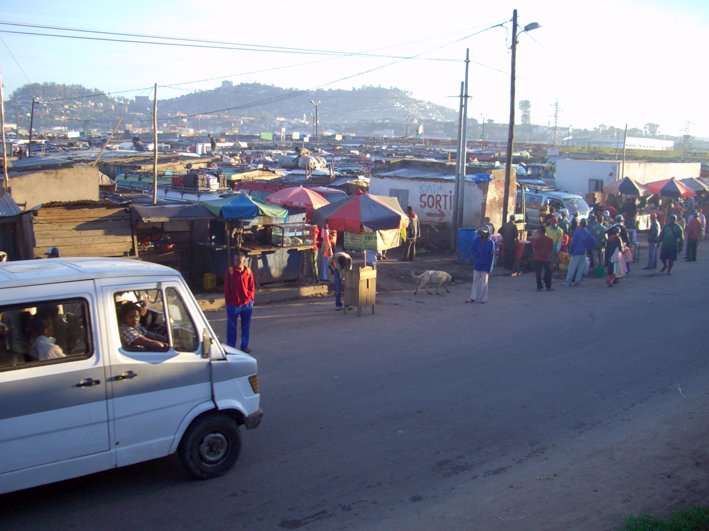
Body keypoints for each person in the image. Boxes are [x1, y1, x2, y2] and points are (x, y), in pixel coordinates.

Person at [224, 252, 255, 353]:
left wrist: (250, 299)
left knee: (245, 327)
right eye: (235, 261)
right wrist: (229, 302)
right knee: (231, 328)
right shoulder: (230, 272)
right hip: (233, 305)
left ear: (244, 262)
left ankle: (244, 346)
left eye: (239, 261)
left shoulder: (249, 272)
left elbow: (252, 287)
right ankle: (231, 348)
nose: (237, 263)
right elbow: (227, 288)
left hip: (246, 305)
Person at [562, 218, 596, 286]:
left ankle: (568, 282)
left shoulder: (577, 232)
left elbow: (573, 243)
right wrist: (587, 247)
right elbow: (594, 242)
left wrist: (570, 251)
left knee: (572, 267)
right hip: (583, 252)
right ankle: (577, 282)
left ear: (580, 224)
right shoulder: (588, 233)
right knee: (580, 268)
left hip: (576, 252)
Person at [466, 227, 495, 304]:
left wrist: (490, 268)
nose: (483, 234)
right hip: (477, 264)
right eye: (482, 232)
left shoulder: (491, 243)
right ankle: (473, 297)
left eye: (485, 233)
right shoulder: (477, 240)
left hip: (485, 265)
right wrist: (475, 256)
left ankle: (484, 298)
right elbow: (472, 250)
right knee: (475, 281)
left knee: (484, 282)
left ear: (488, 233)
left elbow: (492, 256)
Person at [531, 227, 554, 291]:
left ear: (541, 232)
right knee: (548, 272)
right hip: (546, 258)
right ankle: (548, 286)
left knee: (538, 273)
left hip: (538, 258)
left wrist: (535, 254)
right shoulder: (550, 239)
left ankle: (539, 287)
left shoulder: (538, 239)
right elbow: (551, 250)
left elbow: (534, 248)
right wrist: (550, 257)